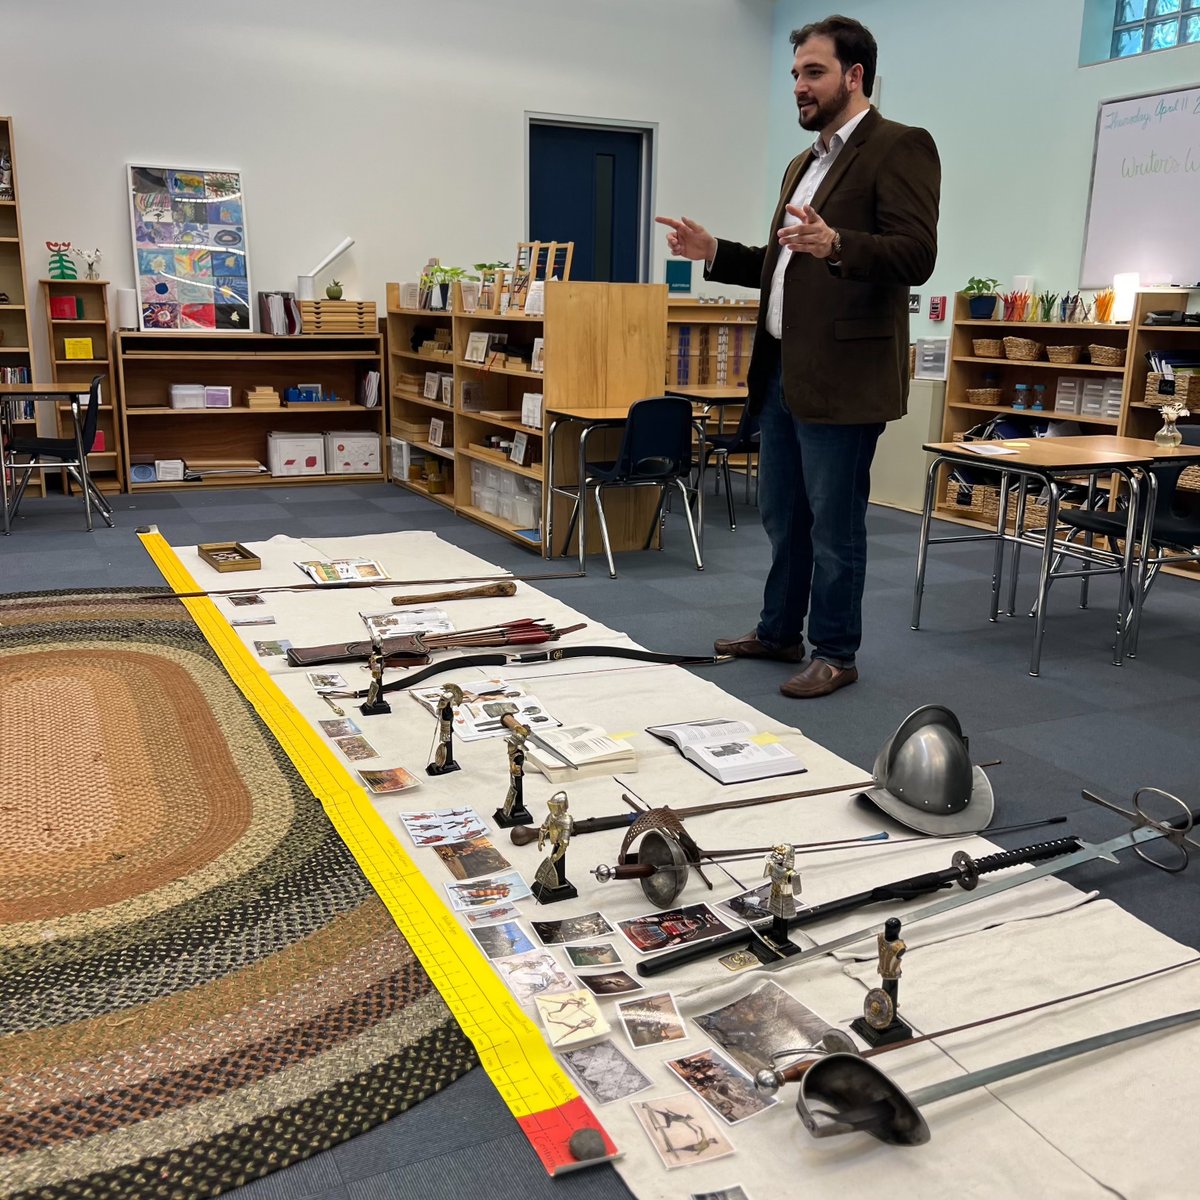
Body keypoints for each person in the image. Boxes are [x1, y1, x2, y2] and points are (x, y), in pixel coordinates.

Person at [657, 15, 940, 698]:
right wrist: (716, 253)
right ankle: (780, 631)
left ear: (854, 76)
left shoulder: (899, 146)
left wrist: (839, 244)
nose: (799, 87)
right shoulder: (803, 164)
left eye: (812, 72)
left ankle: (836, 651)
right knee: (784, 515)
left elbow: (916, 254)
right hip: (783, 369)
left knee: (835, 525)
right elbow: (782, 263)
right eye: (794, 75)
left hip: (845, 378)